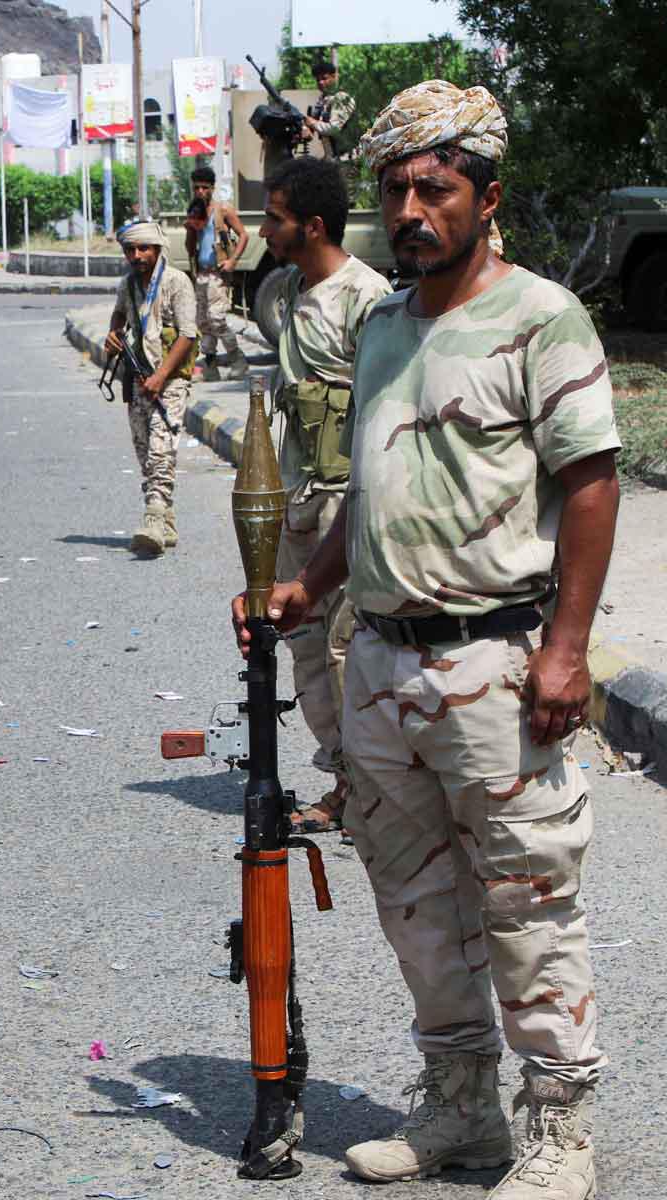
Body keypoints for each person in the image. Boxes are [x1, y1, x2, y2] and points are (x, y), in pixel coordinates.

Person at [231, 80, 618, 1200]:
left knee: (525, 901)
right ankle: (461, 1110)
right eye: (397, 189)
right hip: (380, 663)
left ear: (485, 199)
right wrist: (309, 589)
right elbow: (369, 490)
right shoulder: (386, 325)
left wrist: (569, 648)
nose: (411, 209)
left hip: (494, 662)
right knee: (410, 902)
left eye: (434, 190)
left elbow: (591, 485)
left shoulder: (543, 318)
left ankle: (558, 1131)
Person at [257, 156, 393, 835]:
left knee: (348, 650)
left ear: (312, 225)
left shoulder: (367, 298)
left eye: (274, 219)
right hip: (298, 497)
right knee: (302, 641)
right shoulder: (284, 291)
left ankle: (375, 788)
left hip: (346, 502)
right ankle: (346, 780)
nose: (264, 229)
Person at [104, 219, 197, 556]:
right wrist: (113, 337)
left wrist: (161, 376)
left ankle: (154, 520)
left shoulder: (176, 283)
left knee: (161, 449)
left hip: (170, 382)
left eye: (143, 248)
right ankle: (167, 521)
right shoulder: (127, 286)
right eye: (131, 249)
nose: (137, 255)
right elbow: (119, 319)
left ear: (158, 249)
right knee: (145, 452)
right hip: (139, 381)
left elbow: (188, 335)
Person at [185, 165, 250, 380]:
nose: (200, 192)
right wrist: (190, 229)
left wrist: (232, 261)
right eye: (197, 188)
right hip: (202, 275)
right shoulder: (195, 211)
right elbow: (190, 247)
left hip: (218, 275)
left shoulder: (223, 211)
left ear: (212, 188)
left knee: (217, 319)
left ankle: (238, 360)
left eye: (204, 187)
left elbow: (243, 235)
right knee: (203, 323)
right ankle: (210, 367)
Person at [301, 60, 357, 160]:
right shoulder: (323, 100)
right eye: (317, 80)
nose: (320, 82)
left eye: (324, 78)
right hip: (332, 157)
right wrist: (307, 130)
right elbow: (314, 124)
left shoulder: (341, 98)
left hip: (347, 159)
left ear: (334, 77)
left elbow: (334, 128)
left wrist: (313, 123)